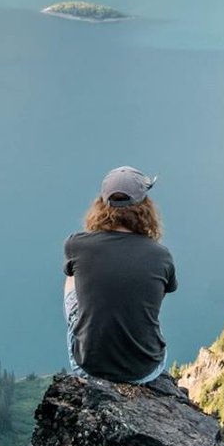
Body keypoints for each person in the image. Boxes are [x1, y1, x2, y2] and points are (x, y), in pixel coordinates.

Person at [63, 166, 184, 394]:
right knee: (144, 292)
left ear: (102, 204)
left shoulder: (76, 245)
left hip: (89, 367)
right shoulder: (161, 255)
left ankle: (97, 341)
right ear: (145, 207)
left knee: (72, 278)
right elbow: (162, 293)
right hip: (145, 369)